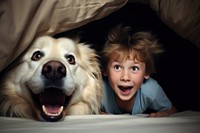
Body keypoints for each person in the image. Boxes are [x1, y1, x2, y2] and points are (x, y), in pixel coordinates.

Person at [101, 25, 177, 117]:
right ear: (105, 70)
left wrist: (163, 113)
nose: (125, 77)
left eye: (134, 68)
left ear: (147, 72)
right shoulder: (99, 90)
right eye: (117, 67)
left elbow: (171, 109)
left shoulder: (151, 90)